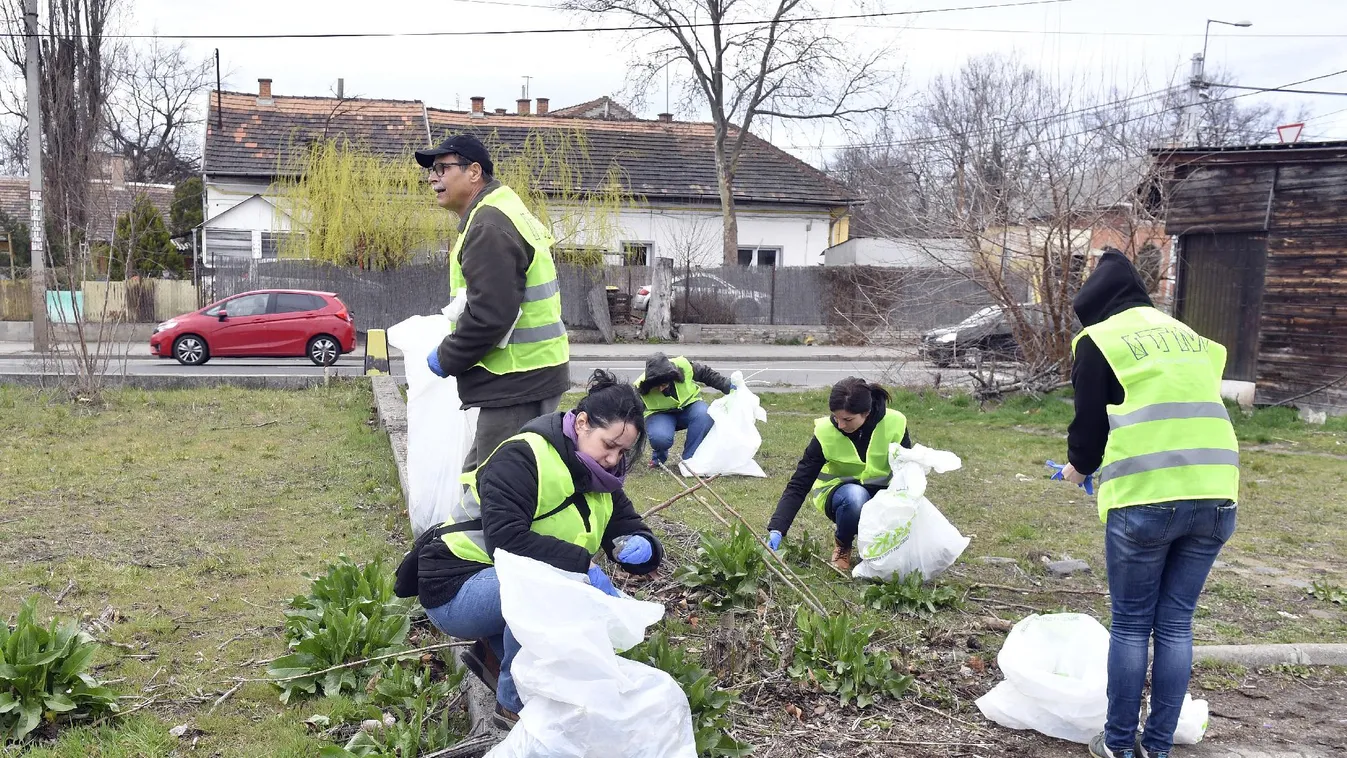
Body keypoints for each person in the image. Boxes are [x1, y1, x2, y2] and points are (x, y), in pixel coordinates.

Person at [402, 370, 663, 726]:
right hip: (454, 585)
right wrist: (582, 567)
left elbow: (628, 526)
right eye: (609, 445)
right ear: (583, 423)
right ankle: (513, 707)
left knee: (563, 624)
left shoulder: (600, 477)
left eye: (623, 451)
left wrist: (644, 546)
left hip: (503, 586)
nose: (614, 460)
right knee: (555, 589)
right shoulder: (522, 458)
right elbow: (506, 541)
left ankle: (497, 660)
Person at [1061, 250, 1239, 758]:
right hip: (1217, 494)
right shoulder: (1192, 338)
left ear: (1095, 308)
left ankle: (1119, 744)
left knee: (1133, 624)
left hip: (1147, 501)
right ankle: (1157, 747)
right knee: (1177, 623)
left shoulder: (1100, 341)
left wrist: (1078, 467)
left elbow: (1089, 432)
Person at [416, 134, 571, 473]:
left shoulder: (488, 224)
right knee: (517, 479)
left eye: (442, 168)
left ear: (474, 172)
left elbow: (491, 314)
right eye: (431, 170)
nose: (432, 177)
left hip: (519, 379)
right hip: (532, 373)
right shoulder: (501, 209)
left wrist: (448, 356)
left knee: (491, 486)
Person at [765, 377, 912, 571]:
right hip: (842, 497)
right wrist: (777, 528)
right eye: (836, 417)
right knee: (855, 497)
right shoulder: (825, 433)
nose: (840, 425)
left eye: (847, 419)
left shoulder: (895, 423)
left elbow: (907, 472)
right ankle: (843, 545)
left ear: (866, 413)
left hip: (883, 496)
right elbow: (799, 483)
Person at [634, 352, 733, 468]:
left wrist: (727, 385)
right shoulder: (640, 386)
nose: (660, 388)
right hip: (659, 414)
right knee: (660, 438)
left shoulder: (683, 366)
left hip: (689, 408)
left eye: (664, 384)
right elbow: (633, 413)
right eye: (656, 386)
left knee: (705, 415)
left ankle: (690, 460)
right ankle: (658, 459)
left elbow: (706, 374)